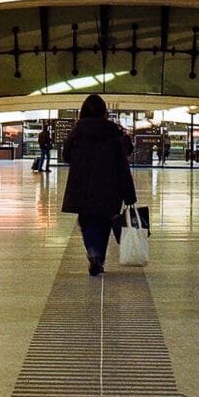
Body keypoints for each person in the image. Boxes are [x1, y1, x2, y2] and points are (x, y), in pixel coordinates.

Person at [60, 93, 137, 276]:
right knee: (105, 223)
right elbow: (122, 163)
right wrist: (129, 194)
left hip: (83, 186)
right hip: (110, 187)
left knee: (87, 221)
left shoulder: (78, 130)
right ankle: (99, 258)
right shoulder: (113, 131)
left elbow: (66, 155)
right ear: (104, 112)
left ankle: (93, 251)